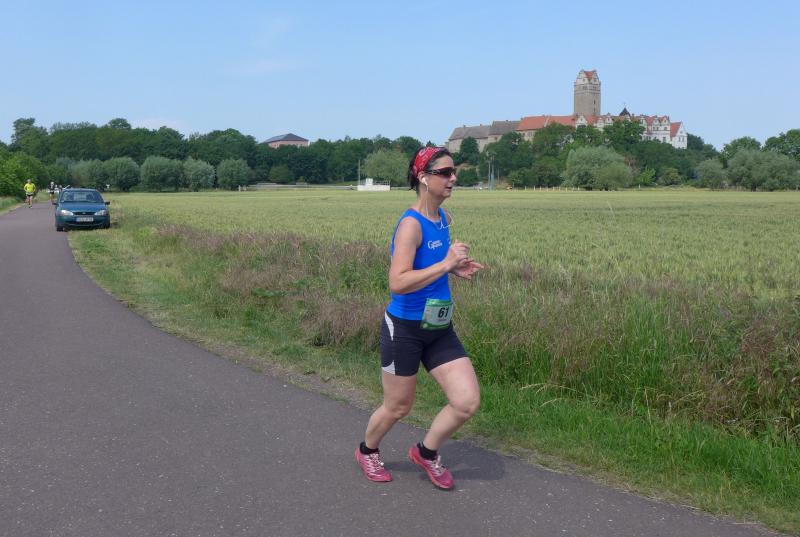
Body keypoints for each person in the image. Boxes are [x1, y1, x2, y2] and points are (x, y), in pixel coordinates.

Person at [355, 147, 484, 490]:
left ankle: (426, 453)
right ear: (424, 178)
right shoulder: (411, 225)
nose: (453, 178)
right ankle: (367, 451)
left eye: (453, 172)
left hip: (438, 327)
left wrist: (454, 269)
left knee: (466, 402)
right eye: (445, 173)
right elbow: (397, 282)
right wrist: (445, 264)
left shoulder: (443, 218)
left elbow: (427, 268)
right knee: (398, 406)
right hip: (405, 329)